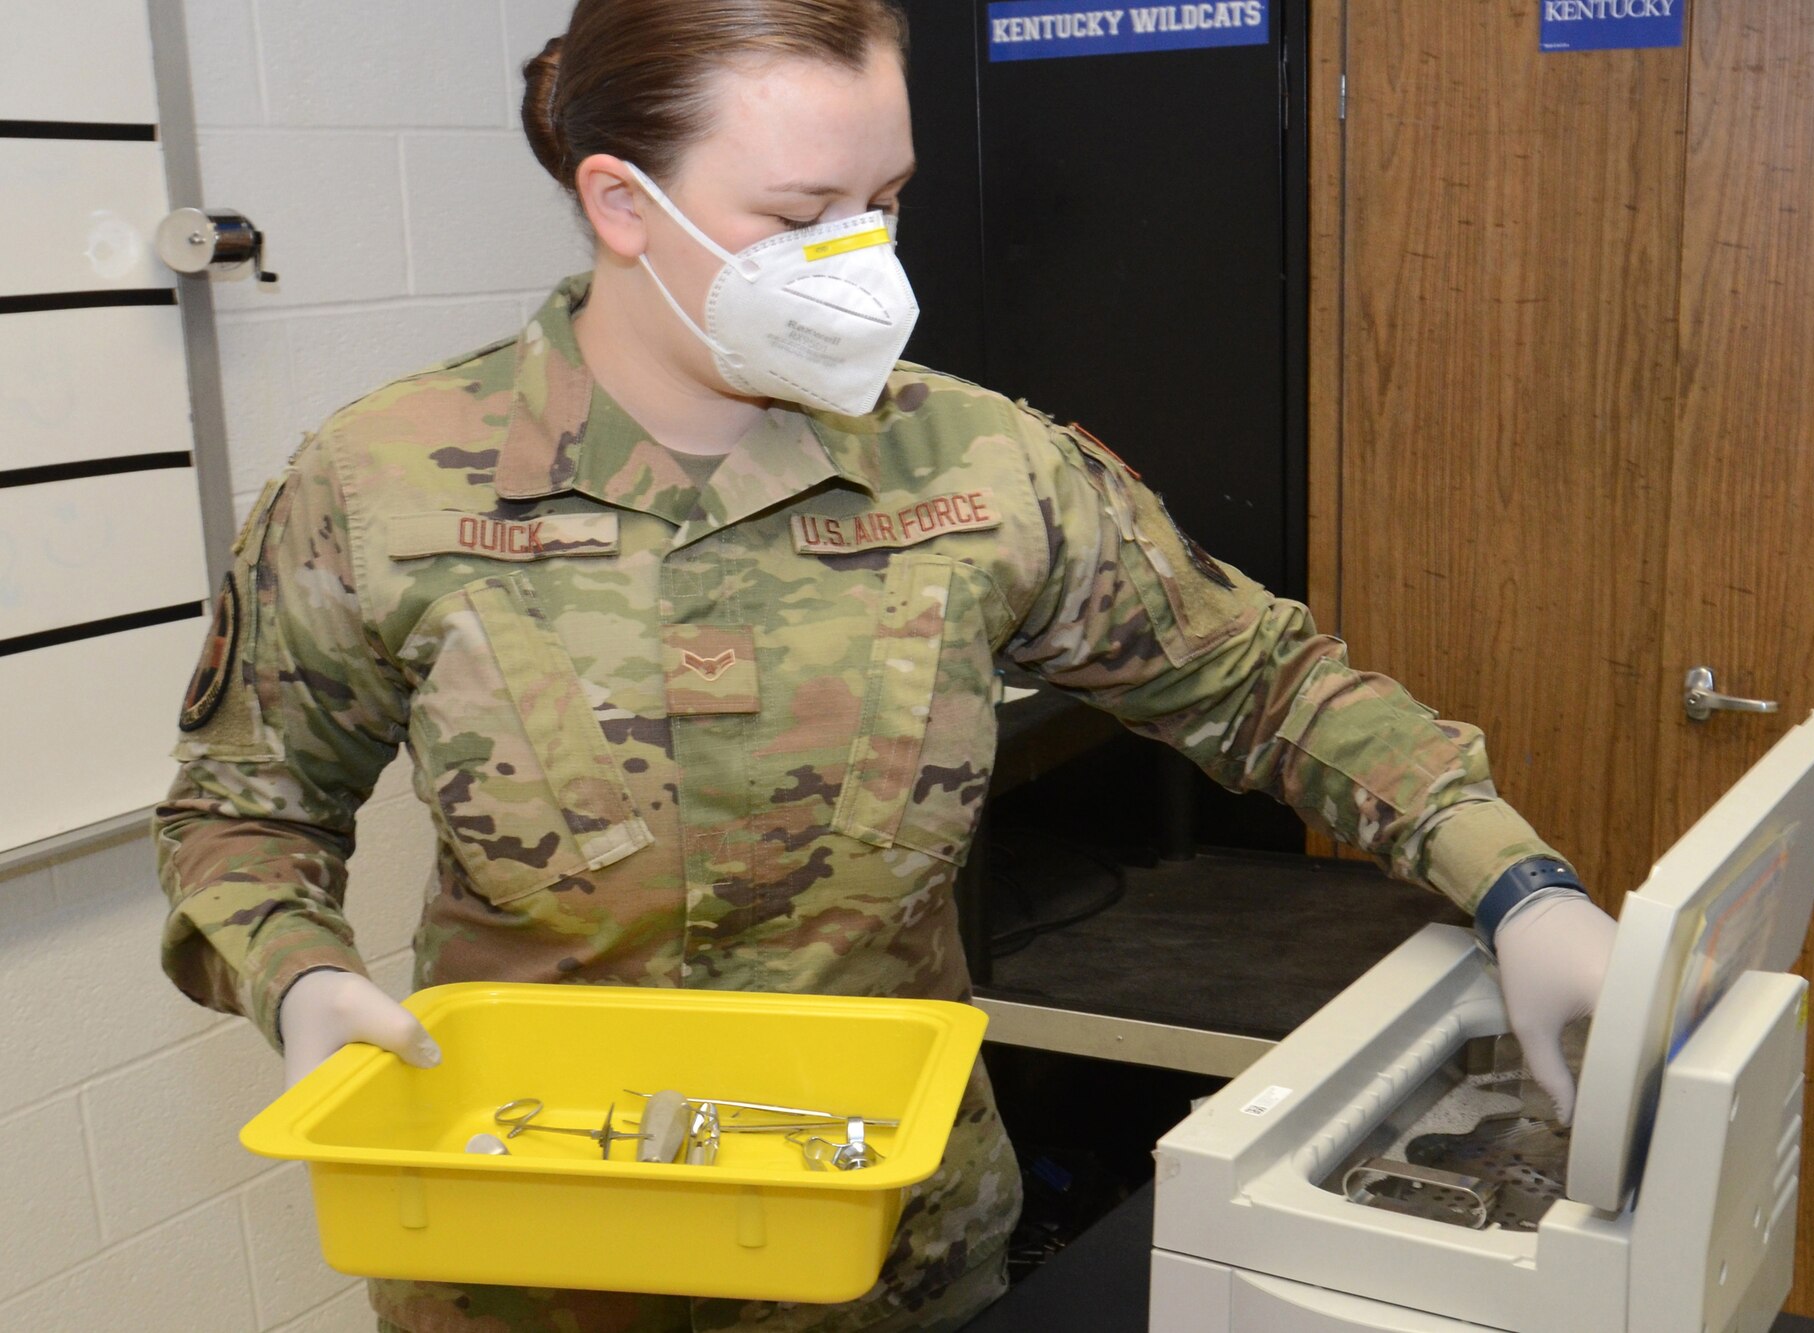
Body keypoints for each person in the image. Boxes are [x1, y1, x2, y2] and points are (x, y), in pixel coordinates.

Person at [153, 2, 1616, 1330]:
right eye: (801, 214)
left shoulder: (979, 464)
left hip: (890, 1266)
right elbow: (244, 809)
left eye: (886, 202)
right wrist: (295, 975)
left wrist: (1516, 878)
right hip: (533, 1263)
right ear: (619, 201)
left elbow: (1260, 682)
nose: (863, 259)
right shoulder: (387, 482)